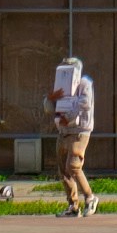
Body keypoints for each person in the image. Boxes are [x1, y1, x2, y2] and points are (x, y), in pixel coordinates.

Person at [45, 52, 98, 217]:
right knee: (63, 170)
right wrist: (50, 98)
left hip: (80, 131)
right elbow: (48, 108)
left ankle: (90, 197)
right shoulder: (60, 85)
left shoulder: (84, 83)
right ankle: (73, 206)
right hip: (63, 132)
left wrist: (68, 118)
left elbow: (85, 104)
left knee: (73, 166)